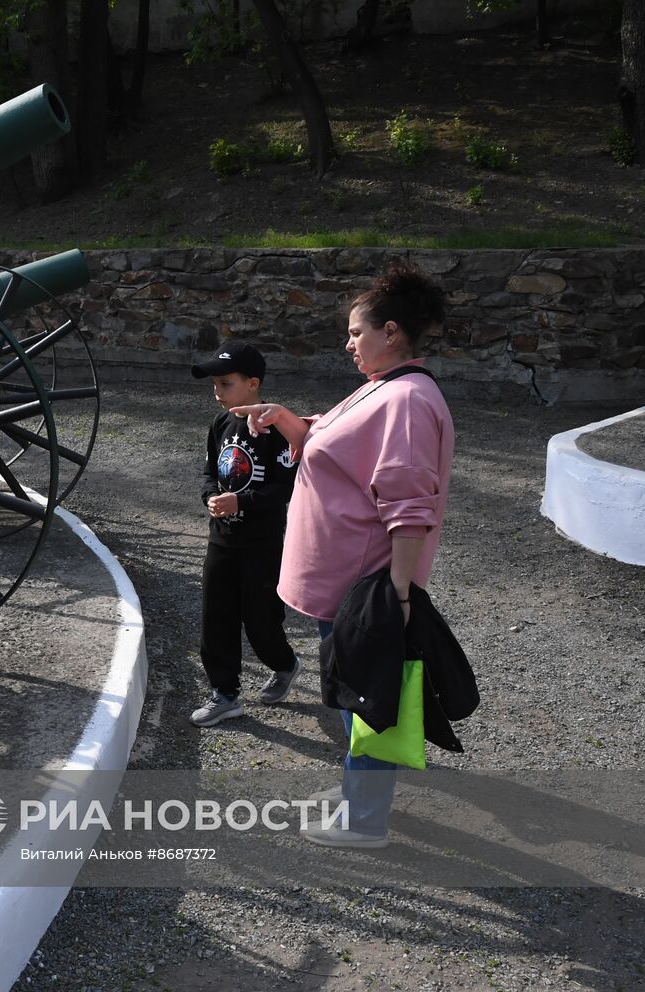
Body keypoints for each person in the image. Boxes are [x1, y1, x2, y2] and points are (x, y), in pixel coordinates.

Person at [231, 261, 455, 848]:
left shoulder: (405, 398)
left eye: (358, 332)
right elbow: (338, 452)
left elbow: (409, 504)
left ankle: (365, 823)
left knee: (366, 703)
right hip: (348, 585)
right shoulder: (382, 386)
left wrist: (400, 595)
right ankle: (360, 796)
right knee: (349, 694)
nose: (349, 342)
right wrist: (287, 422)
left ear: (391, 332)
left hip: (369, 588)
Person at [189, 341, 300, 728]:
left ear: (253, 383)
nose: (217, 391)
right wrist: (211, 497)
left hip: (261, 546)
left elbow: (285, 489)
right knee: (215, 618)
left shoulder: (277, 431)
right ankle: (225, 694)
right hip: (221, 541)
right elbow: (209, 472)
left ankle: (284, 663)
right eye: (214, 384)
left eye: (225, 383)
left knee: (261, 620)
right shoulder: (220, 424)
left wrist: (242, 502)